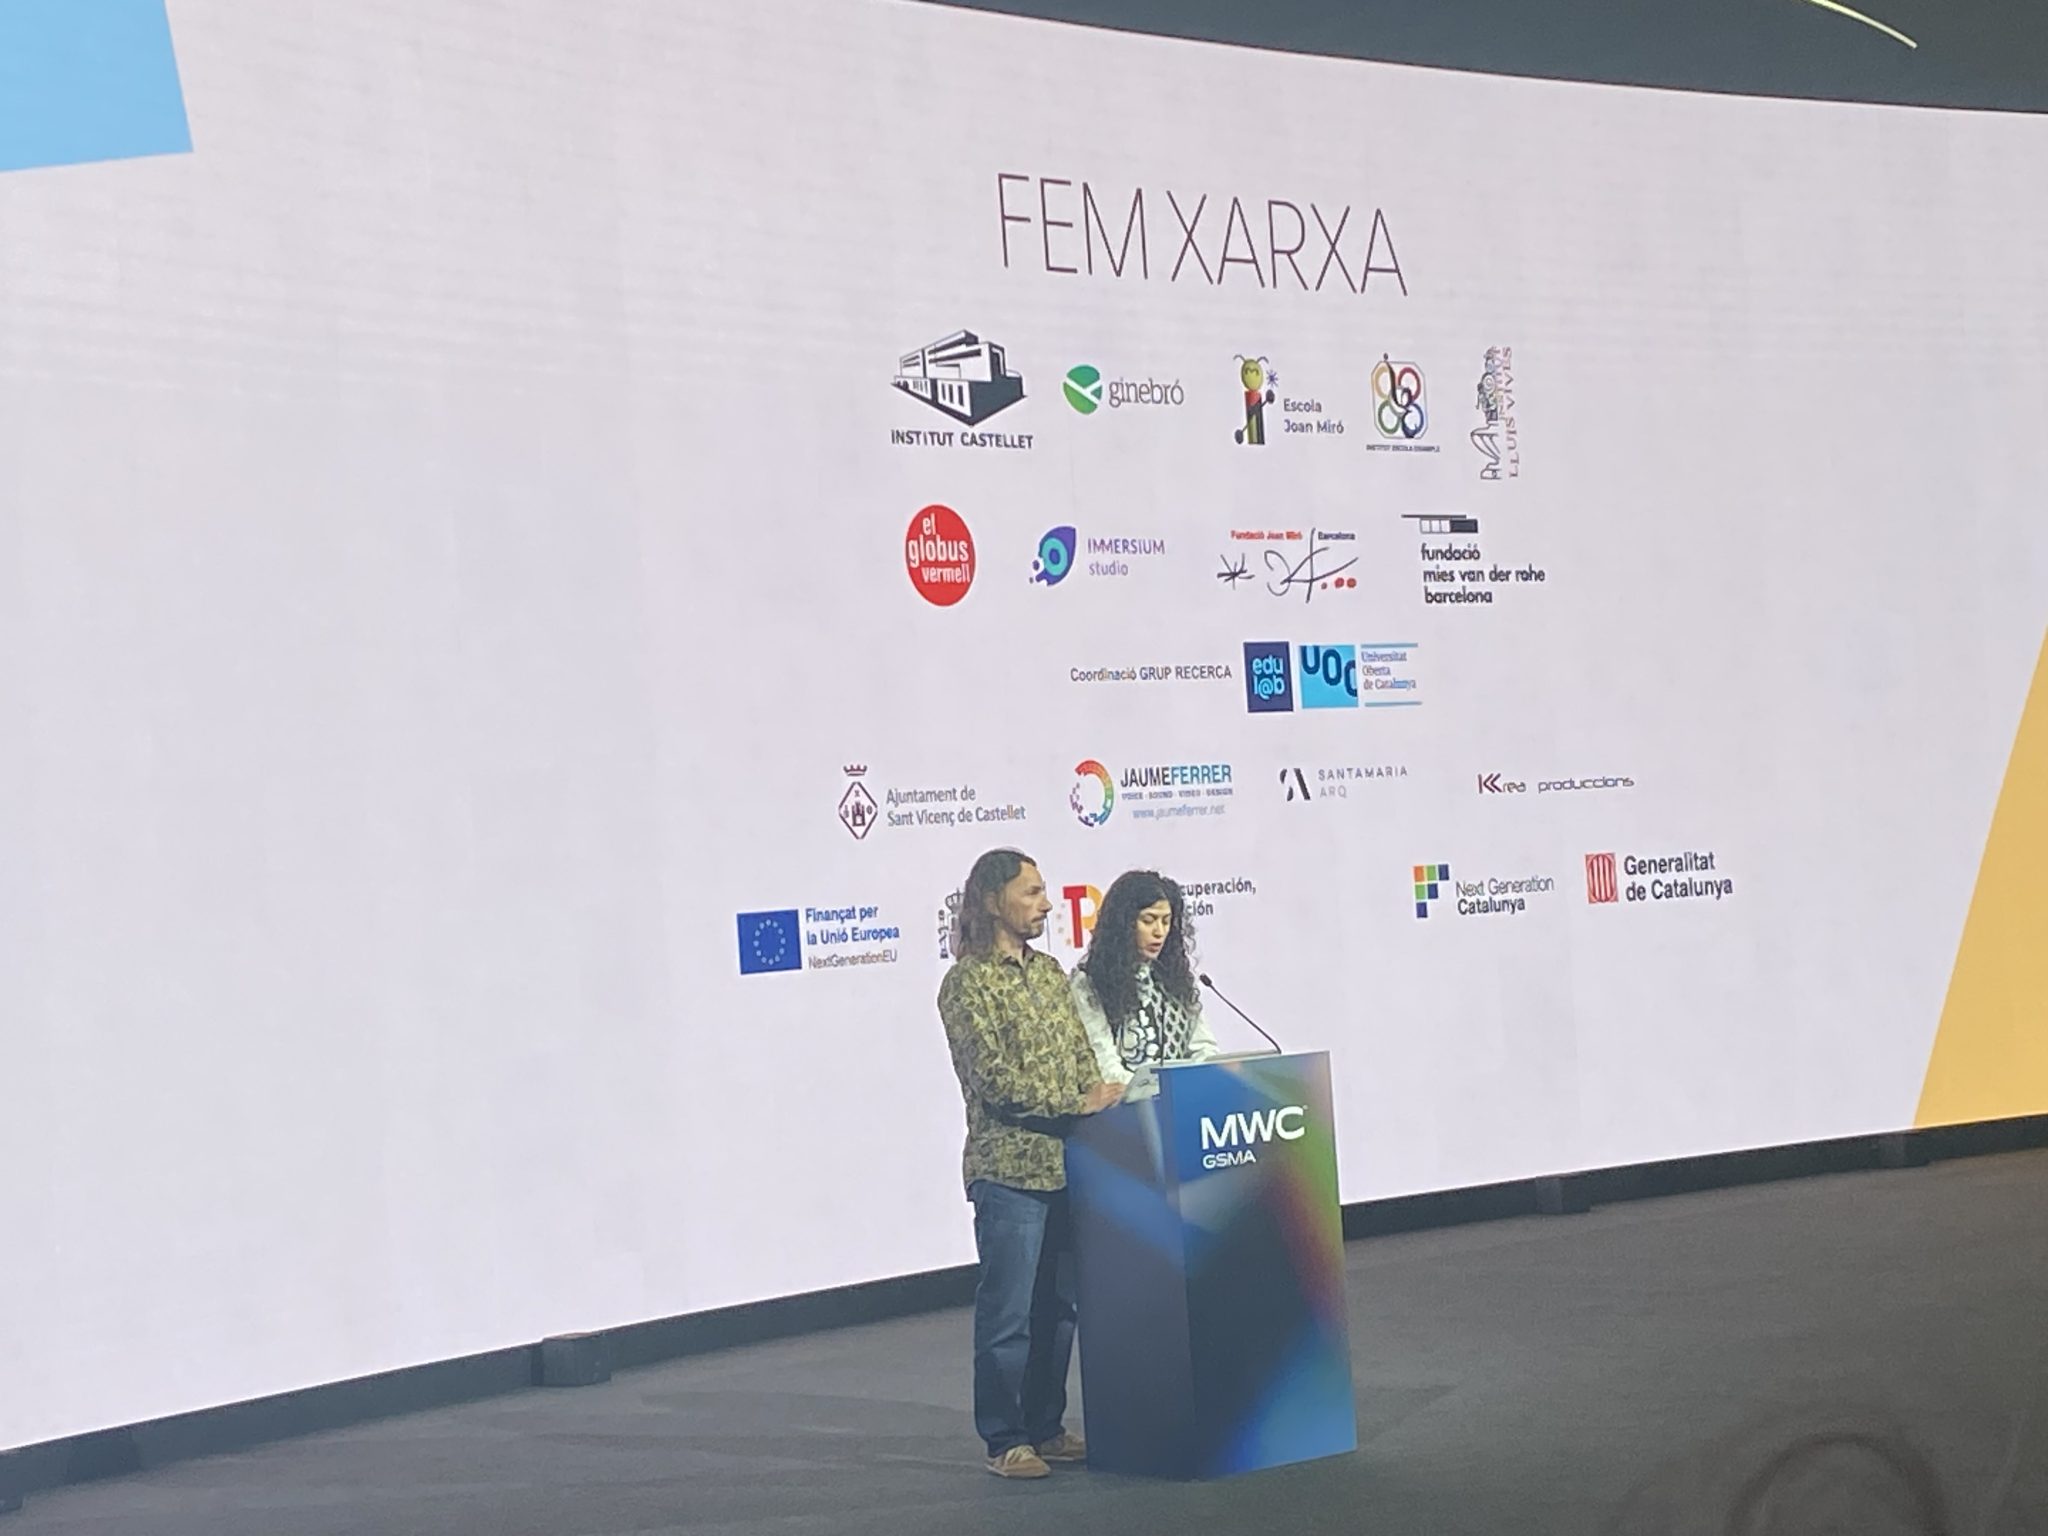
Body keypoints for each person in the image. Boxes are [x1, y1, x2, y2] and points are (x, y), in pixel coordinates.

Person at [937, 848, 1124, 1480]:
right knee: (1008, 1315)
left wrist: (1096, 1095)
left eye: (1045, 891)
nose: (1046, 904)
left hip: (1070, 1167)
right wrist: (1075, 1101)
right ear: (993, 902)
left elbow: (1081, 1058)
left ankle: (1046, 1426)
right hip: (1008, 1172)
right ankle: (1005, 1439)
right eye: (1033, 892)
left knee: (1059, 1311)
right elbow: (993, 1080)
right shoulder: (966, 983)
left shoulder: (1049, 974)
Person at [1070, 869, 1220, 1085]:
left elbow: (1203, 1049)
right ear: (1124, 924)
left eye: (1166, 921)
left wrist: (1205, 1078)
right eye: (1148, 920)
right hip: (1127, 1103)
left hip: (1182, 1098)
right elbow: (1107, 1069)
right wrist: (1162, 1091)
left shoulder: (1175, 978)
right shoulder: (1089, 983)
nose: (1159, 932)